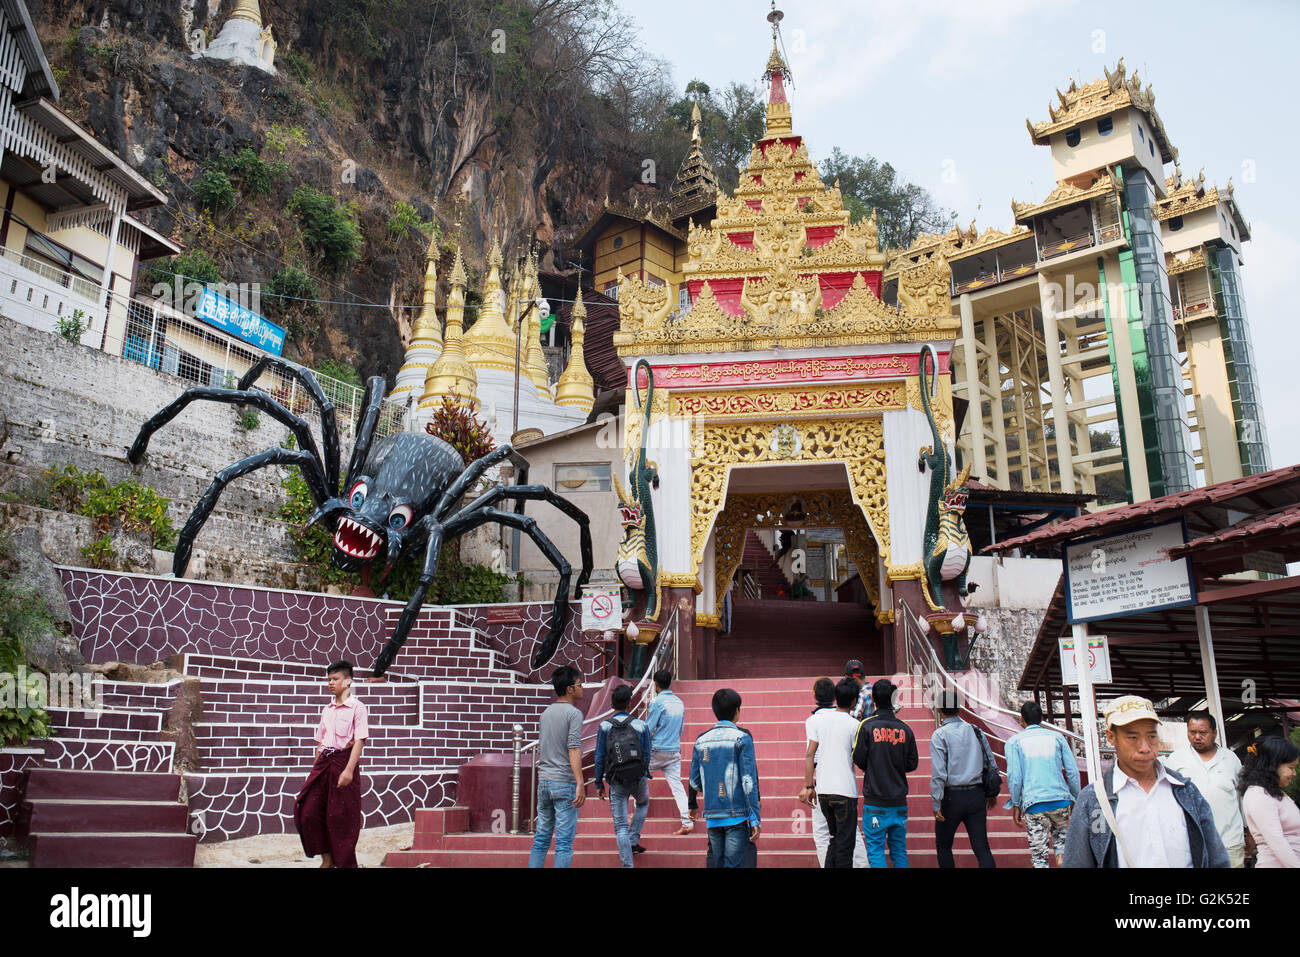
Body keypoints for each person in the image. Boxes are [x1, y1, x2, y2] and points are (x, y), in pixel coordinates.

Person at [1064, 695, 1229, 868]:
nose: (1145, 748)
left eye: (1151, 736)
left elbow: (1217, 859)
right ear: (1111, 737)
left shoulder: (1185, 791)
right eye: (1132, 737)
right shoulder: (1093, 801)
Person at [294, 660, 367, 868]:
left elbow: (360, 740)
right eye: (329, 680)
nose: (331, 683)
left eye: (335, 679)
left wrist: (349, 771)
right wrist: (315, 768)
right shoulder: (326, 710)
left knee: (340, 817)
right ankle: (327, 859)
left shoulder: (358, 708)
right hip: (323, 764)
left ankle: (342, 863)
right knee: (308, 812)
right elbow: (320, 741)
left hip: (343, 763)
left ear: (348, 681)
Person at [688, 687, 761, 868]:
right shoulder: (742, 739)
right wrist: (755, 818)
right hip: (736, 815)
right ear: (737, 711)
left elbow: (695, 781)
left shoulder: (701, 741)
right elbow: (748, 782)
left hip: (713, 816)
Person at [1005, 701, 1080, 868]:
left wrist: (1016, 804)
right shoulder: (1057, 737)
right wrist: (1076, 797)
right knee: (1061, 837)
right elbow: (1072, 772)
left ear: (1021, 720)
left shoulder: (1014, 742)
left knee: (1039, 857)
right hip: (1060, 799)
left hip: (1034, 803)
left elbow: (1015, 777)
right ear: (1042, 718)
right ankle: (1060, 857)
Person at [853, 678, 918, 868]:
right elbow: (912, 763)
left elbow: (858, 758)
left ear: (873, 699)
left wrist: (874, 765)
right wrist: (895, 765)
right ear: (894, 699)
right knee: (899, 851)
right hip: (898, 802)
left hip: (875, 802)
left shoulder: (866, 726)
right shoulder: (905, 729)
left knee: (875, 851)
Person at [1167, 711, 1246, 867]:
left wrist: (1248, 830)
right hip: (1191, 844)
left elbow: (1242, 797)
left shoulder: (1230, 759)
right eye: (1192, 732)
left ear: (1214, 733)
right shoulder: (1176, 759)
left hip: (1229, 842)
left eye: (1203, 732)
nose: (1197, 737)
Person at [930, 689, 998, 868]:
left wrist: (936, 803)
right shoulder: (976, 731)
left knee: (944, 845)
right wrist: (991, 793)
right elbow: (990, 762)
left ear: (939, 710)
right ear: (959, 708)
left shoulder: (939, 735)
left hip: (950, 797)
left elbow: (939, 773)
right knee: (982, 848)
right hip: (976, 794)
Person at [799, 678, 862, 867]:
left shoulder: (817, 721)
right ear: (854, 701)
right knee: (845, 845)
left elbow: (810, 754)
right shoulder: (854, 725)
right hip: (845, 790)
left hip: (823, 791)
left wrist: (809, 785)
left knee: (833, 841)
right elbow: (859, 757)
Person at [528, 665, 586, 868]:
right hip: (564, 782)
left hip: (544, 781)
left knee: (541, 838)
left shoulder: (546, 713)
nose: (582, 688)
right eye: (579, 684)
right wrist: (580, 782)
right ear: (570, 689)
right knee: (563, 842)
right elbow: (573, 748)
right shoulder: (574, 714)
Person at [595, 684, 652, 867]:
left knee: (620, 826)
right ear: (629, 704)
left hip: (616, 779)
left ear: (612, 704)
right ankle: (633, 838)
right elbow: (647, 753)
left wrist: (598, 782)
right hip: (638, 777)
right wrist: (643, 772)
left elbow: (599, 757)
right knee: (642, 803)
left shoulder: (604, 726)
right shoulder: (641, 725)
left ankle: (627, 864)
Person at [1238, 735, 1300, 868]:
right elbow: (1277, 842)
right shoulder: (1259, 796)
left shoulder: (1274, 792)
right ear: (1272, 766)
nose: (1294, 773)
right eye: (1291, 768)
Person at [645, 669, 692, 835]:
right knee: (677, 786)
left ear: (656, 685)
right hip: (673, 750)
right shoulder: (679, 702)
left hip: (656, 749)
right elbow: (680, 729)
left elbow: (648, 728)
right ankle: (686, 821)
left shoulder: (657, 702)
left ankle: (638, 813)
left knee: (640, 777)